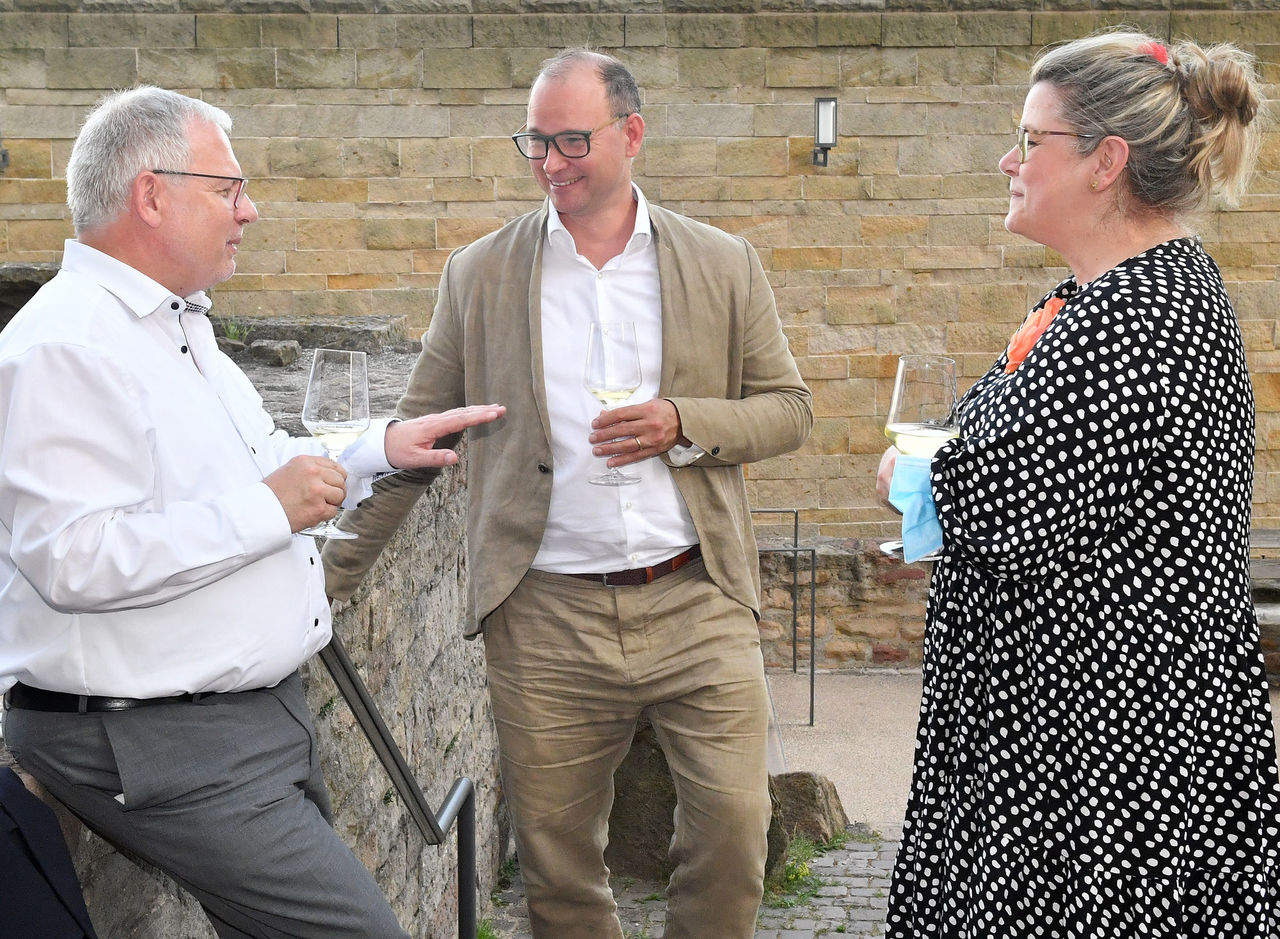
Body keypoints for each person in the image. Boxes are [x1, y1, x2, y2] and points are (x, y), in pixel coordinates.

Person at [323, 48, 813, 939]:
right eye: (536, 143)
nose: (551, 163)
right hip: (544, 613)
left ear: (632, 134)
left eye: (572, 141)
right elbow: (417, 436)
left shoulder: (722, 261)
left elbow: (789, 411)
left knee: (736, 835)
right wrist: (329, 575)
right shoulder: (479, 275)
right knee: (557, 869)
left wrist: (682, 420)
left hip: (697, 597)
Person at [0, 85, 504, 938]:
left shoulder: (175, 321)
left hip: (237, 718)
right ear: (151, 194)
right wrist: (268, 510)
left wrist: (379, 448)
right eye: (228, 189)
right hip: (156, 738)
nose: (251, 209)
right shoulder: (64, 346)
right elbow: (72, 559)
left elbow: (262, 458)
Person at [877, 31, 1280, 935]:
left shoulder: (1136, 316)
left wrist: (910, 474)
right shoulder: (1107, 300)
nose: (1006, 160)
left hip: (1098, 762)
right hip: (1072, 740)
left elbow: (1012, 502)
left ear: (1106, 162)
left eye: (1029, 139)